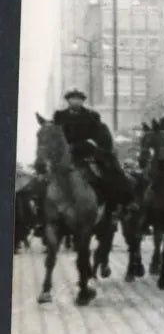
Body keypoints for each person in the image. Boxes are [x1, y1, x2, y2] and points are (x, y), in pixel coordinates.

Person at [34, 88, 132, 233]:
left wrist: (91, 147)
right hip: (62, 159)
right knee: (41, 183)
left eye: (79, 99)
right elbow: (52, 137)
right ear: (68, 101)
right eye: (72, 98)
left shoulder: (91, 116)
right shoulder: (59, 117)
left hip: (86, 157)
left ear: (82, 101)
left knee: (109, 178)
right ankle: (43, 218)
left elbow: (102, 136)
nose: (75, 101)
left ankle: (113, 211)